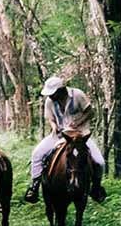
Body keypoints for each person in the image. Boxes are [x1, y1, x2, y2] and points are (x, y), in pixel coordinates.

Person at [24, 75, 106, 204]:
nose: (50, 96)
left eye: (53, 94)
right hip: (60, 135)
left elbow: (90, 112)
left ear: (61, 90)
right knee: (37, 154)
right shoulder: (49, 101)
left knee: (99, 161)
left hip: (80, 135)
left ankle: (96, 187)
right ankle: (34, 186)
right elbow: (50, 118)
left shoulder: (77, 95)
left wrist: (78, 122)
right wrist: (54, 126)